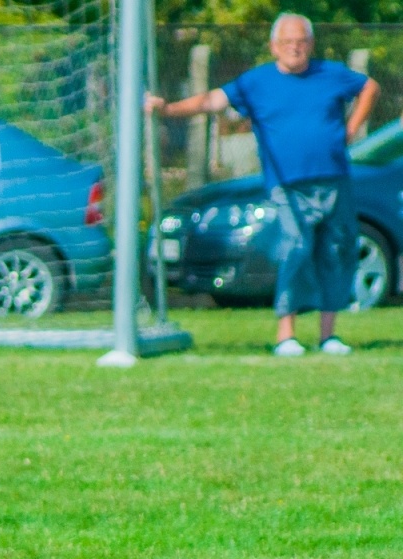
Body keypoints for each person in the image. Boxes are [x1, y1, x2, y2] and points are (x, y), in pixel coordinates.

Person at [149, 13, 378, 356]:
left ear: (310, 44)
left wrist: (350, 130)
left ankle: (328, 335)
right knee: (296, 246)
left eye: (301, 41)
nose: (295, 48)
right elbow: (211, 101)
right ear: (274, 46)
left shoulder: (330, 74)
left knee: (335, 251)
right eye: (287, 42)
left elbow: (369, 87)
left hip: (333, 179)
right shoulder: (257, 82)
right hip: (287, 184)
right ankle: (286, 334)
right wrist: (166, 109)